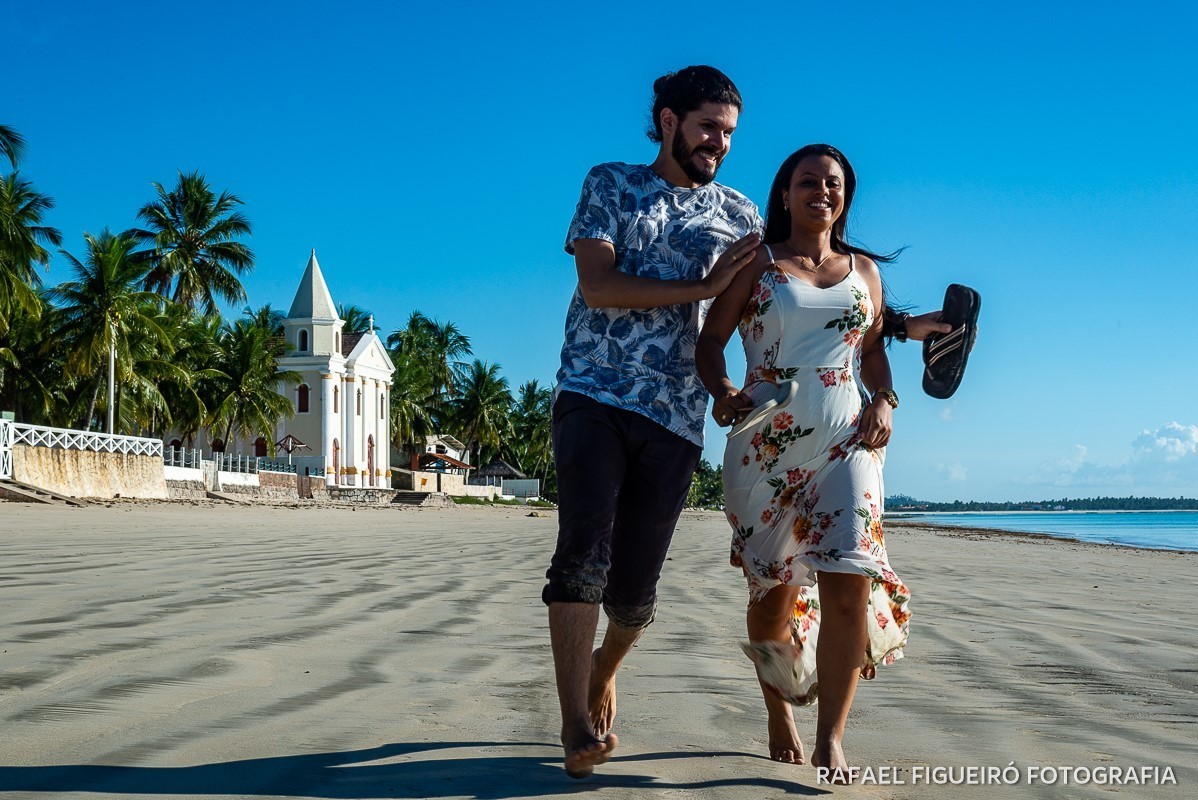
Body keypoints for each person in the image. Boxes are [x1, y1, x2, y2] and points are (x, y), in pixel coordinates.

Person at [542, 65, 763, 779]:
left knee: (635, 597)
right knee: (581, 556)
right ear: (667, 121)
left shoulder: (742, 215)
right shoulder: (611, 183)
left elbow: (800, 288)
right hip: (593, 394)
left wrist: (904, 326)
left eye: (728, 133)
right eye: (706, 127)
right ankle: (575, 722)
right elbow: (597, 285)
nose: (718, 144)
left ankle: (607, 666)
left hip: (675, 416)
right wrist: (701, 287)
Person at [696, 143, 913, 781]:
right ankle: (779, 709)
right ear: (785, 194)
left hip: (848, 439)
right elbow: (711, 341)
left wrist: (887, 401)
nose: (823, 191)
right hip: (765, 444)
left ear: (846, 196)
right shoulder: (755, 264)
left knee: (851, 578)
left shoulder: (865, 273)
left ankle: (833, 738)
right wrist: (723, 390)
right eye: (808, 182)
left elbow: (871, 352)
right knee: (773, 595)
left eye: (834, 183)